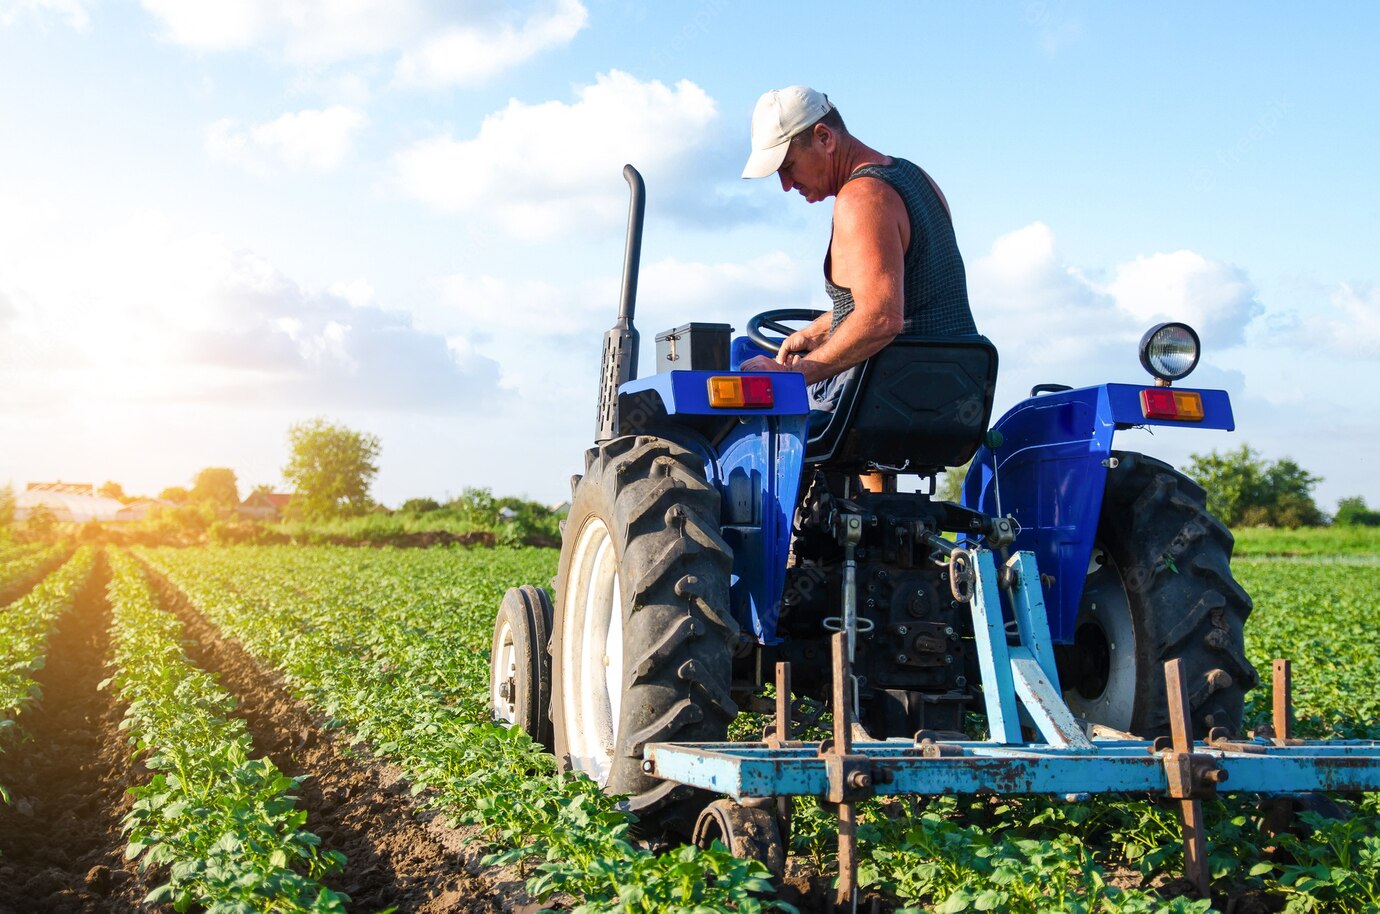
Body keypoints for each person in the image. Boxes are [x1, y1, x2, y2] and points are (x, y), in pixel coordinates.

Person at [739, 86, 978, 413]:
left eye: (788, 165)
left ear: (825, 138)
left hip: (889, 398)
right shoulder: (916, 177)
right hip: (956, 389)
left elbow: (881, 318)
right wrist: (818, 331)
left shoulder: (861, 199)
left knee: (740, 381)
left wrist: (792, 374)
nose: (785, 183)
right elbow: (909, 292)